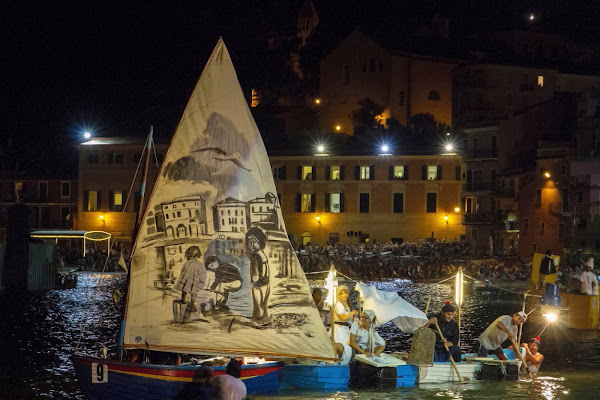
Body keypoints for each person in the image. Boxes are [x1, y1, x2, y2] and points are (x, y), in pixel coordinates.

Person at [173, 246, 206, 322]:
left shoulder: (186, 263)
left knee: (184, 290)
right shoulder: (199, 264)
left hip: (186, 281)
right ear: (197, 255)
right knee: (194, 292)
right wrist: (202, 281)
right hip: (194, 282)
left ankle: (183, 301)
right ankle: (191, 304)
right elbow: (202, 274)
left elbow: (182, 272)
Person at [245, 227, 270, 325]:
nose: (250, 245)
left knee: (257, 303)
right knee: (264, 303)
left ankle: (258, 320)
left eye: (253, 242)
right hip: (266, 282)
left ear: (260, 242)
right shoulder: (262, 254)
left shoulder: (255, 256)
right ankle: (265, 318)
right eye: (249, 242)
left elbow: (255, 271)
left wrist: (254, 279)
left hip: (258, 283)